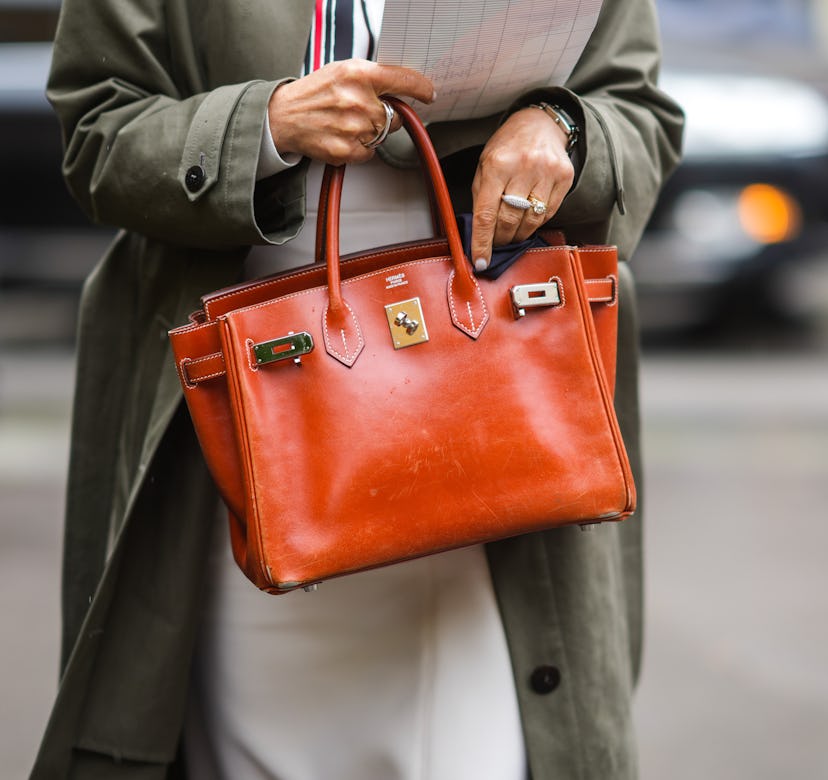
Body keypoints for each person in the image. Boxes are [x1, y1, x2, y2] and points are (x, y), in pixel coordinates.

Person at [32, 1, 683, 778]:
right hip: (267, 412)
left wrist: (562, 129)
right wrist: (265, 124)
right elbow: (97, 131)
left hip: (498, 398)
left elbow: (640, 115)